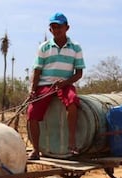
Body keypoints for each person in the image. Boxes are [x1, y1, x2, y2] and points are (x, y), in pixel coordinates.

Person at [27, 12, 85, 160]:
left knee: (72, 103)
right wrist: (33, 90)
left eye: (59, 26)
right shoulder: (44, 47)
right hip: (45, 85)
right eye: (53, 26)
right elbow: (37, 70)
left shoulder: (76, 48)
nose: (57, 29)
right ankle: (36, 150)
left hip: (65, 84)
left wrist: (65, 83)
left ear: (67, 28)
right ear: (50, 29)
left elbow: (79, 73)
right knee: (32, 113)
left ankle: (71, 143)